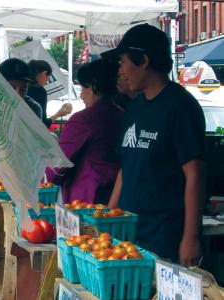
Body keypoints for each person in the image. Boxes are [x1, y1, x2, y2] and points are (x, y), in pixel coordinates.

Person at [102, 24, 205, 265]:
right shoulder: (134, 108)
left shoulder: (181, 107)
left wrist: (190, 237)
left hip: (164, 237)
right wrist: (108, 216)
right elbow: (125, 170)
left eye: (123, 61)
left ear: (144, 60)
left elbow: (195, 173)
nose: (121, 70)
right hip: (127, 236)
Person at [45, 59, 123, 204]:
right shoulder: (123, 115)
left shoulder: (83, 120)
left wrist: (45, 177)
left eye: (83, 88)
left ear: (94, 86)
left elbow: (59, 164)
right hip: (117, 198)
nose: (81, 95)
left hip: (86, 198)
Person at [27, 59, 72, 128]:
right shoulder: (40, 91)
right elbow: (43, 124)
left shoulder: (22, 87)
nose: (47, 81)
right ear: (43, 74)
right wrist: (59, 113)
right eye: (48, 77)